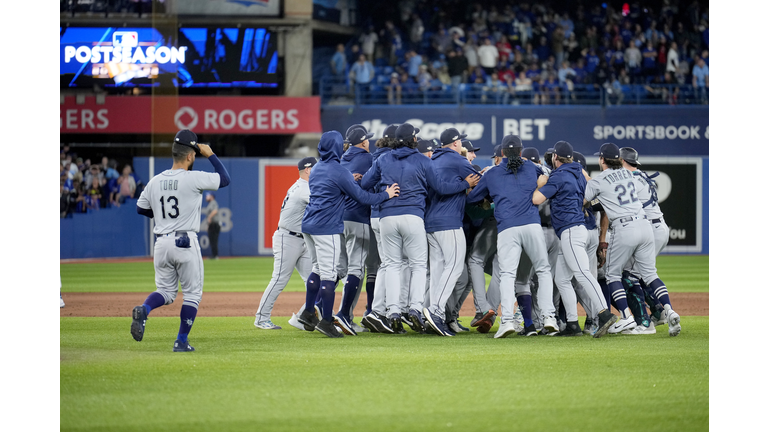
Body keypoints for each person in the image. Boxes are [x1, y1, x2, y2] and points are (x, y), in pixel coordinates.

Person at [360, 123, 479, 336]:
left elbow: (365, 184)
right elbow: (441, 187)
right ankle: (415, 308)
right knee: (416, 266)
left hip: (387, 216)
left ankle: (394, 311)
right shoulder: (423, 160)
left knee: (393, 265)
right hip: (413, 216)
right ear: (413, 139)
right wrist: (464, 184)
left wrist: (384, 194)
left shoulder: (382, 159)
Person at [131, 129, 231, 352]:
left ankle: (145, 309)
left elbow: (140, 208)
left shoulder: (155, 181)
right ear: (189, 156)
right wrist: (210, 154)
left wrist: (162, 218)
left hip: (162, 243)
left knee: (166, 292)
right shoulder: (193, 177)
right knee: (193, 294)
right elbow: (225, 179)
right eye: (194, 154)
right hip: (185, 241)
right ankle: (181, 341)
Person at [296, 131, 400, 338]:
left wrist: (349, 180)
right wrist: (385, 195)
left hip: (308, 224)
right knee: (329, 274)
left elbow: (331, 188)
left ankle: (309, 310)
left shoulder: (316, 169)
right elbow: (362, 196)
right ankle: (326, 321)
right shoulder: (339, 171)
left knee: (317, 269)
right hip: (327, 226)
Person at [466, 134, 559, 338]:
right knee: (543, 271)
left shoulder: (492, 173)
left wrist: (484, 194)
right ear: (520, 151)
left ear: (501, 153)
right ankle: (549, 317)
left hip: (507, 228)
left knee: (507, 275)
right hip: (532, 225)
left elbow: (472, 197)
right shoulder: (532, 168)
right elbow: (547, 177)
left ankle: (507, 321)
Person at [584, 143, 681, 337]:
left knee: (612, 275)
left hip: (625, 227)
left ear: (602, 159)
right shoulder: (630, 174)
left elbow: (585, 202)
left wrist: (586, 178)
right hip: (645, 226)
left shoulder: (599, 180)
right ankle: (669, 310)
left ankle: (626, 316)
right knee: (650, 275)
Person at [532, 141, 618, 337]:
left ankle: (603, 313)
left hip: (571, 230)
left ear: (555, 157)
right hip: (581, 228)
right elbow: (589, 189)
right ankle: (572, 323)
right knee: (562, 279)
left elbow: (536, 199)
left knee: (582, 274)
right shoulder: (579, 171)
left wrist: (541, 183)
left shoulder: (558, 176)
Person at [423, 128, 482, 337]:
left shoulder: (432, 160)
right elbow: (479, 184)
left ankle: (427, 316)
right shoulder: (457, 160)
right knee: (455, 267)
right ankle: (436, 312)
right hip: (448, 222)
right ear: (456, 144)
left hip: (429, 223)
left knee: (438, 271)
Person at [256, 157, 317, 330]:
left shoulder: (301, 185)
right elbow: (322, 203)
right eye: (316, 168)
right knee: (279, 279)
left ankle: (301, 317)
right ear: (307, 170)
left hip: (301, 239)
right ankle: (261, 318)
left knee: (313, 281)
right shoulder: (304, 188)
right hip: (287, 238)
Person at [618, 147, 674, 334]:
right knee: (642, 274)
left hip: (649, 227)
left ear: (621, 160)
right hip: (658, 226)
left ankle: (644, 323)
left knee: (630, 275)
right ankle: (659, 312)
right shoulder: (640, 175)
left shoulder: (630, 179)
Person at [334, 126, 376, 335]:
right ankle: (342, 314)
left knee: (342, 267)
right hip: (358, 218)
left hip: (340, 219)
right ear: (364, 142)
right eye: (367, 139)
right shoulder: (368, 159)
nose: (369, 141)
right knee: (357, 268)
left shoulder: (342, 159)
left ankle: (324, 309)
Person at [204, 192, 220, 259]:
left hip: (215, 224)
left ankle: (215, 255)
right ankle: (214, 255)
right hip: (211, 224)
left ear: (211, 196)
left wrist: (210, 217)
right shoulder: (210, 204)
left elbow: (215, 211)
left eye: (208, 196)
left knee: (214, 240)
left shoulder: (213, 202)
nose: (206, 197)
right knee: (212, 240)